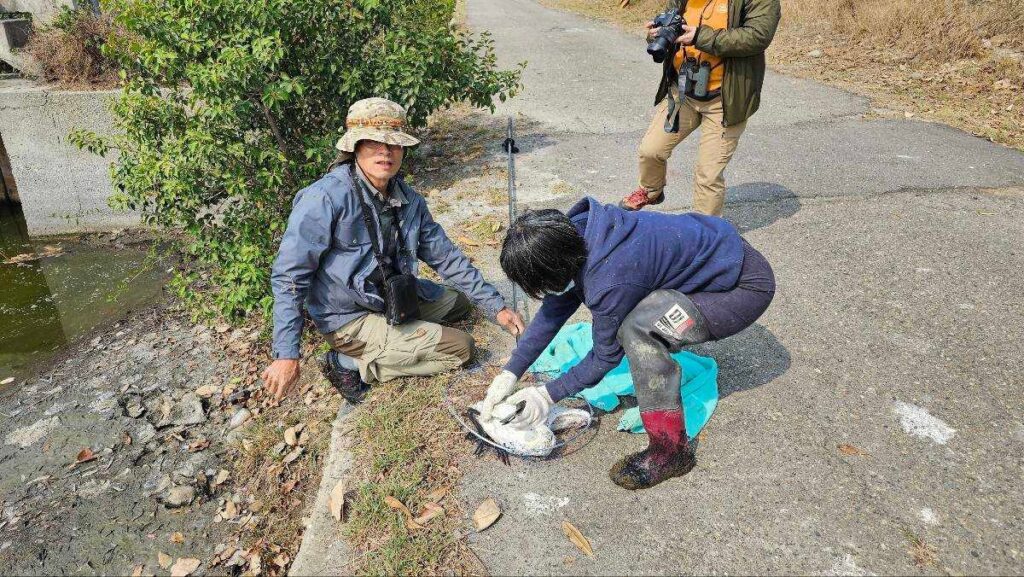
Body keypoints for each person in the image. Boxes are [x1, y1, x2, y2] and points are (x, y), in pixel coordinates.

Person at [479, 197, 775, 489]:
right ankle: (669, 448)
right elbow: (554, 309)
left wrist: (547, 395)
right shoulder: (576, 233)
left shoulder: (611, 279)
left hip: (743, 287)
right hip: (723, 254)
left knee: (638, 331)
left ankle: (669, 452)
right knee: (636, 315)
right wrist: (511, 371)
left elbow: (605, 356)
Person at [262, 97, 525, 404]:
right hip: (347, 317)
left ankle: (399, 337)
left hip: (389, 297)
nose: (385, 152)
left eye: (394, 144)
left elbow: (445, 256)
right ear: (355, 147)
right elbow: (289, 277)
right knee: (461, 348)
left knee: (460, 303)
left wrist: (497, 307)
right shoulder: (323, 199)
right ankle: (347, 364)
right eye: (374, 142)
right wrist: (286, 354)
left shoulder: (408, 197)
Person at [620, 0, 781, 214]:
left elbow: (758, 36)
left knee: (708, 175)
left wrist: (699, 37)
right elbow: (672, 19)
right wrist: (657, 33)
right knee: (651, 150)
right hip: (684, 91)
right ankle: (651, 190)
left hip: (724, 99)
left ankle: (706, 235)